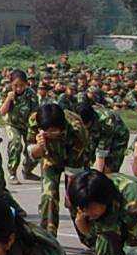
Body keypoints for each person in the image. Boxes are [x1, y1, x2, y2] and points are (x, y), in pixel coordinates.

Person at [27, 101, 91, 236]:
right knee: (48, 197)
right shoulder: (35, 120)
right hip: (50, 159)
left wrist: (69, 195)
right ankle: (48, 238)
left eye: (53, 131)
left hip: (74, 161)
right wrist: (39, 146)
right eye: (47, 131)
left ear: (61, 128)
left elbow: (74, 169)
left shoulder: (77, 131)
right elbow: (32, 153)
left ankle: (89, 237)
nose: (50, 133)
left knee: (75, 200)